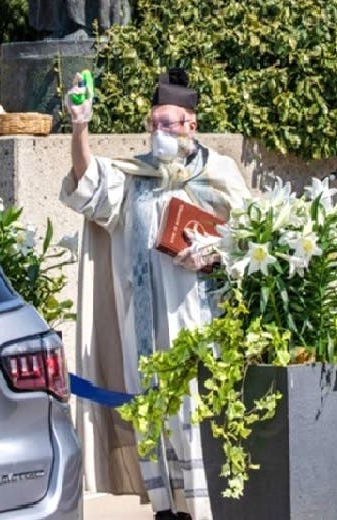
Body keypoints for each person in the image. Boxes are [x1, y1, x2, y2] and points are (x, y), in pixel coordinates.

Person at [60, 68, 251, 520]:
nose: (159, 132)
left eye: (168, 124)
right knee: (152, 410)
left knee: (195, 413)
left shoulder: (218, 172)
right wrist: (80, 125)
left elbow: (253, 234)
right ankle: (167, 508)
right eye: (153, 123)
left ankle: (206, 509)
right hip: (143, 326)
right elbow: (89, 188)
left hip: (201, 321)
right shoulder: (136, 177)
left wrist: (218, 250)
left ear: (191, 125)